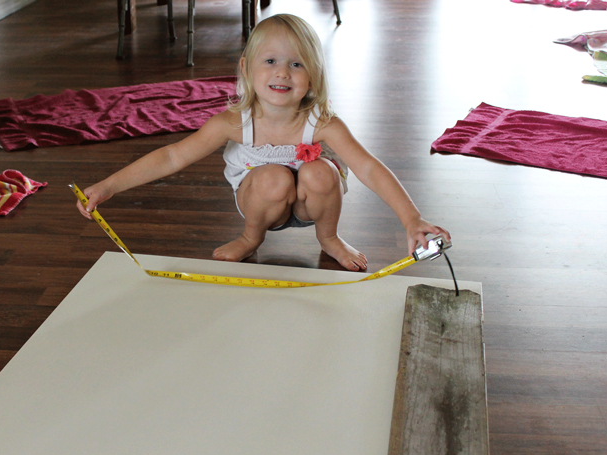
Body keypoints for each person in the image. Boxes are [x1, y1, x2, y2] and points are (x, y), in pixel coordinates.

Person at [76, 14, 449, 271]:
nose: (282, 72)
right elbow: (172, 157)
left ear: (314, 78)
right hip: (261, 202)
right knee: (272, 176)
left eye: (297, 64)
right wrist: (109, 186)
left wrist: (411, 219)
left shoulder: (324, 123)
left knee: (322, 172)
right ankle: (250, 238)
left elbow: (368, 167)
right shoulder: (232, 123)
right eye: (269, 60)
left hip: (308, 205)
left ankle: (329, 238)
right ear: (246, 69)